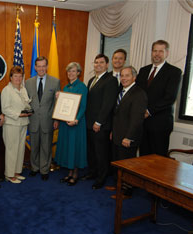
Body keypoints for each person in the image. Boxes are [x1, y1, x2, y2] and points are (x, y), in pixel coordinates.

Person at [136, 40, 182, 157]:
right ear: (151, 53)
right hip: (142, 123)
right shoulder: (143, 70)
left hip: (160, 124)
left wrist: (148, 111)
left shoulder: (174, 72)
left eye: (161, 51)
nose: (157, 54)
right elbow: (137, 93)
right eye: (155, 51)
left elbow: (169, 97)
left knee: (157, 160)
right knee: (143, 157)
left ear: (167, 53)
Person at [110, 66, 147, 199]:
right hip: (117, 134)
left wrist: (129, 137)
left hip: (127, 137)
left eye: (127, 76)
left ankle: (126, 191)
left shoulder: (139, 93)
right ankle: (118, 186)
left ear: (134, 77)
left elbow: (137, 119)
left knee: (126, 165)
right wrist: (113, 132)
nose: (124, 78)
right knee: (117, 162)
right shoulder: (122, 91)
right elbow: (117, 115)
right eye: (122, 76)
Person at [83, 54, 118, 189]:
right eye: (96, 62)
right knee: (91, 151)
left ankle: (101, 178)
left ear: (107, 64)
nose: (98, 65)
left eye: (101, 62)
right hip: (89, 123)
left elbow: (108, 104)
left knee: (101, 153)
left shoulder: (111, 80)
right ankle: (92, 172)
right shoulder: (92, 80)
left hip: (100, 125)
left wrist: (99, 122)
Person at [25, 56, 60, 181]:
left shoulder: (55, 82)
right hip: (33, 120)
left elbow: (57, 103)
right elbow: (25, 102)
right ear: (35, 67)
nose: (41, 68)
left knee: (46, 147)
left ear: (47, 67)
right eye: (38, 66)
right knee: (34, 146)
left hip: (48, 120)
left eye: (43, 66)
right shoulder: (28, 82)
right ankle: (34, 168)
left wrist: (56, 119)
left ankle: (44, 170)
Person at [55, 62, 88, 186]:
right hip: (65, 123)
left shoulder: (82, 87)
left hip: (76, 124)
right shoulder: (65, 87)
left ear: (78, 73)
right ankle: (69, 173)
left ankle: (75, 175)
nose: (71, 73)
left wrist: (76, 119)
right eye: (69, 71)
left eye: (74, 71)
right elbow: (62, 106)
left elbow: (83, 107)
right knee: (68, 147)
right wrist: (59, 98)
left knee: (75, 147)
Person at [1, 66, 31, 183]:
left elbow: (26, 104)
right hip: (12, 124)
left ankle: (17, 172)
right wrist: (19, 114)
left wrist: (29, 110)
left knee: (20, 149)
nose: (18, 78)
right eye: (15, 76)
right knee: (12, 149)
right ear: (10, 78)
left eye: (20, 76)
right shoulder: (6, 90)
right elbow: (5, 108)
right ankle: (9, 174)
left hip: (23, 123)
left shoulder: (23, 89)